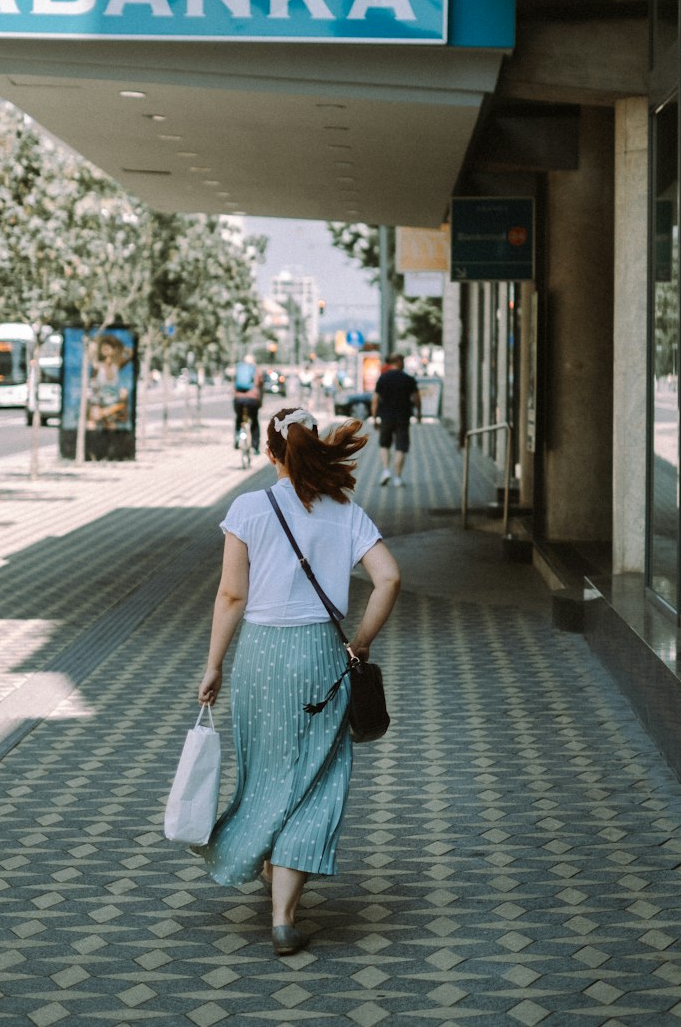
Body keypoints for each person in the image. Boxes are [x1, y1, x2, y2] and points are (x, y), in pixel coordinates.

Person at [196, 406, 401, 956]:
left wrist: (214, 663)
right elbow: (389, 578)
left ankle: (255, 853)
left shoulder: (248, 508)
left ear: (270, 452)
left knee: (267, 771)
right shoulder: (344, 509)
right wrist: (360, 643)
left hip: (261, 655)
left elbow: (231, 596)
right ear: (313, 447)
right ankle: (284, 916)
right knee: (316, 774)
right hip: (320, 656)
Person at [371, 352, 422, 488]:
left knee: (384, 444)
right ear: (399, 362)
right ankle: (398, 478)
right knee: (401, 446)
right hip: (403, 417)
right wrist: (419, 413)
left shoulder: (383, 378)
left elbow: (375, 400)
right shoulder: (408, 379)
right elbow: (416, 398)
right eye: (403, 360)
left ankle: (386, 470)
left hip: (386, 416)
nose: (404, 363)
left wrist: (375, 417)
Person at [232, 353, 265, 454]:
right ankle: (255, 447)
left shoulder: (238, 369)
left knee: (239, 417)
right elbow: (261, 387)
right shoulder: (257, 371)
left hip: (238, 399)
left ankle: (237, 437)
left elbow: (233, 385)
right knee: (254, 421)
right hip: (252, 400)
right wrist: (260, 401)